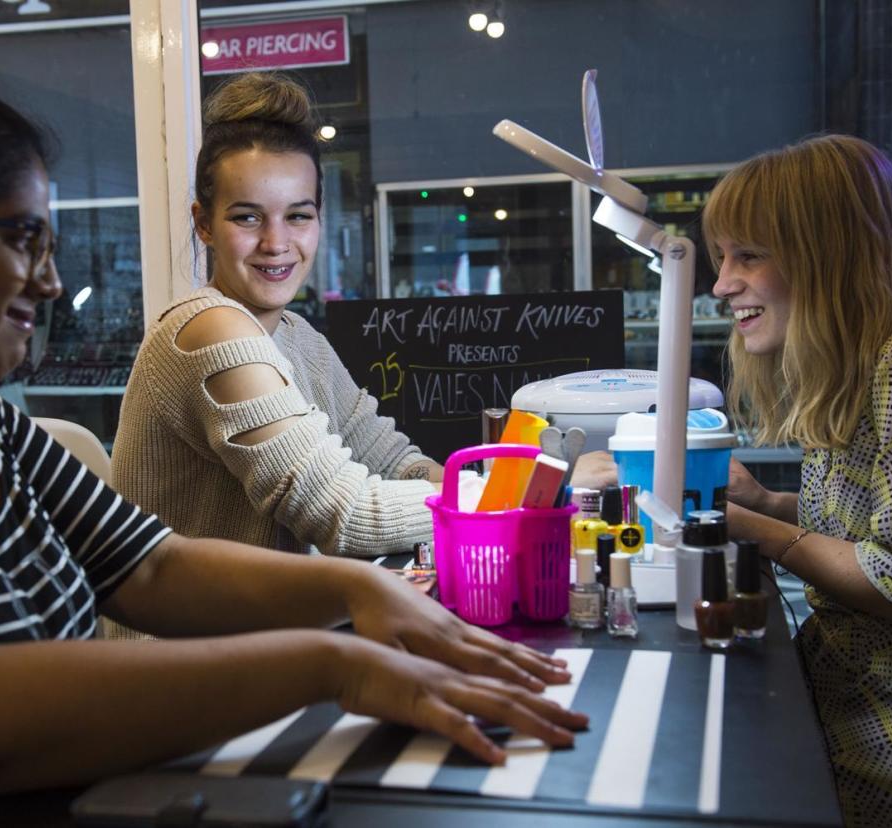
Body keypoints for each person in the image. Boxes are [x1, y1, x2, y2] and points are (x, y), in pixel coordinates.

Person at [0, 69, 588, 826]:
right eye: (23, 240)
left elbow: (150, 568)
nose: (46, 280)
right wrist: (334, 660)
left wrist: (358, 593)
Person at [111, 72, 614, 558]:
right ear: (203, 223)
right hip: (196, 643)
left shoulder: (297, 338)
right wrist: (535, 487)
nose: (277, 243)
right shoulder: (209, 329)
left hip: (271, 632)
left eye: (298, 215)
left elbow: (398, 464)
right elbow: (344, 513)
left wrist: (497, 484)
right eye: (247, 217)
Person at [703, 133, 892, 827]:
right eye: (720, 258)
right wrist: (768, 502)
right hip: (850, 713)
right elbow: (885, 521)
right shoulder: (866, 361)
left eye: (749, 255)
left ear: (824, 250)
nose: (721, 285)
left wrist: (754, 528)